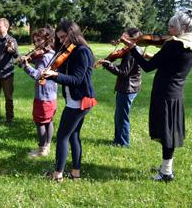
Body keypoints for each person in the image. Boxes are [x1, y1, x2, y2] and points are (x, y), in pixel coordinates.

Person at [120, 10, 192, 182]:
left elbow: (148, 67)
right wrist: (156, 56)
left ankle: (166, 173)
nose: (169, 29)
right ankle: (166, 168)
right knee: (169, 132)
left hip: (164, 93)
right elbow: (172, 63)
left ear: (183, 27)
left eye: (172, 26)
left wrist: (133, 48)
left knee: (166, 134)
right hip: (176, 93)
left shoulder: (174, 44)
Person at [41, 20, 97, 182]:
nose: (62, 40)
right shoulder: (71, 51)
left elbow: (76, 79)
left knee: (62, 137)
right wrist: (54, 71)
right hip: (76, 99)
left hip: (79, 101)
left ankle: (58, 174)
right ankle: (75, 172)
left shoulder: (82, 51)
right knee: (73, 135)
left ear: (73, 33)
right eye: (59, 38)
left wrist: (55, 75)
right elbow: (66, 71)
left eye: (64, 36)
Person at [95, 28, 144, 147]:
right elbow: (125, 67)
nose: (122, 40)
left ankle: (122, 143)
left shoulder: (132, 52)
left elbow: (123, 72)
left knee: (122, 117)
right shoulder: (134, 50)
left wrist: (108, 64)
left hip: (128, 88)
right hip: (129, 87)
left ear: (131, 38)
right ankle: (118, 140)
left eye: (125, 37)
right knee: (120, 116)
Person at [18, 26, 58, 157]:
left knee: (40, 122)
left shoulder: (45, 57)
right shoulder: (52, 54)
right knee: (49, 120)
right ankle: (47, 146)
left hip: (43, 95)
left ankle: (41, 150)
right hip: (51, 95)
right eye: (35, 40)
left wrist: (25, 65)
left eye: (39, 40)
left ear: (47, 40)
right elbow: (36, 59)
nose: (36, 43)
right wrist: (29, 57)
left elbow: (38, 75)